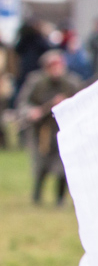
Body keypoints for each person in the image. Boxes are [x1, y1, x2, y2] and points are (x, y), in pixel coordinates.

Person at [17, 49, 82, 205]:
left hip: (63, 131)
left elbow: (81, 103)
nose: (56, 69)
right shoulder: (36, 81)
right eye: (52, 66)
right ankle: (37, 197)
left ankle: (60, 199)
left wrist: (66, 104)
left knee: (63, 165)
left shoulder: (72, 82)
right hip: (42, 131)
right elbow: (23, 103)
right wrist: (32, 112)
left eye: (59, 65)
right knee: (41, 164)